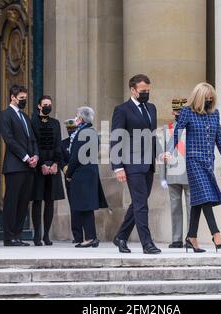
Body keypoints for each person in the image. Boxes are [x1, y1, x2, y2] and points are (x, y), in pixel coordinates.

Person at [172, 82, 221, 253]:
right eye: (206, 98)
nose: (210, 100)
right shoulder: (187, 112)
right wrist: (169, 152)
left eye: (211, 98)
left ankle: (191, 237)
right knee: (206, 196)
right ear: (199, 98)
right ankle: (216, 234)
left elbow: (219, 139)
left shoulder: (215, 114)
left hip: (208, 162)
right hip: (193, 161)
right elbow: (177, 133)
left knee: (199, 200)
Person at [110, 74, 161, 254]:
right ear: (132, 90)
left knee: (138, 203)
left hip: (148, 163)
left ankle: (121, 236)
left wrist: (160, 154)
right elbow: (116, 138)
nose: (146, 94)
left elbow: (152, 134)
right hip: (131, 163)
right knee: (141, 204)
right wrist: (118, 166)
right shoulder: (122, 110)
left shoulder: (152, 108)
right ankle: (147, 243)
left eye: (148, 91)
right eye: (142, 91)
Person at [0, 85, 39, 246]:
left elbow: (32, 139)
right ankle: (9, 237)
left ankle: (17, 234)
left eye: (25, 98)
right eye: (21, 98)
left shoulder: (25, 117)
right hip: (15, 166)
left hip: (29, 167)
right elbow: (9, 140)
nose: (24, 101)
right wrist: (26, 157)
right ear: (13, 97)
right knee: (12, 202)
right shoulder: (5, 115)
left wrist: (36, 155)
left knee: (23, 202)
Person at [64, 107, 108, 248]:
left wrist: (68, 173)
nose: (75, 119)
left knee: (84, 207)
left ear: (81, 119)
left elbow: (75, 157)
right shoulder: (92, 132)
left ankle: (90, 238)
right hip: (90, 172)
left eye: (77, 117)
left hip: (81, 174)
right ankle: (91, 237)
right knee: (86, 207)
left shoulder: (82, 133)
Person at [30, 96, 65, 246]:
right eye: (45, 105)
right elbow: (33, 144)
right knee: (37, 201)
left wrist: (56, 163)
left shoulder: (55, 123)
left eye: (49, 105)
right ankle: (37, 235)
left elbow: (58, 144)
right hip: (39, 168)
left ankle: (46, 235)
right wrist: (41, 164)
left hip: (53, 167)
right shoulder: (32, 123)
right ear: (39, 106)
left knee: (50, 201)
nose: (47, 107)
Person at [159, 98, 190, 249]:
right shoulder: (168, 129)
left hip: (189, 173)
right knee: (175, 208)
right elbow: (162, 154)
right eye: (177, 111)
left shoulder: (192, 127)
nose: (179, 113)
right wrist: (162, 176)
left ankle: (191, 237)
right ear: (173, 112)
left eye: (181, 111)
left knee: (192, 208)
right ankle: (176, 238)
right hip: (172, 173)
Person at [61, 119, 82, 244]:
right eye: (69, 129)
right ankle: (77, 235)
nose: (71, 131)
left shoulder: (80, 141)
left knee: (84, 206)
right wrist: (65, 169)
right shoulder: (63, 143)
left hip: (80, 176)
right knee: (73, 207)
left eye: (73, 128)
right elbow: (61, 158)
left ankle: (88, 234)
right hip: (69, 177)